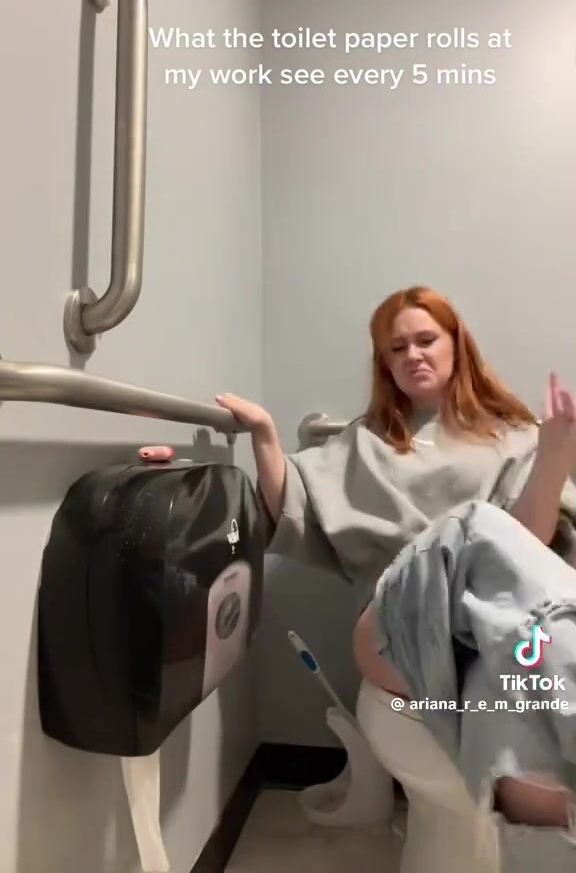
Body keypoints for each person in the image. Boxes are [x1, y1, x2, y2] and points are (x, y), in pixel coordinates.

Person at [214, 285, 576, 839]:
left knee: (503, 680)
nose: (413, 355)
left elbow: (530, 544)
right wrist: (264, 432)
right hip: (395, 629)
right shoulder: (366, 442)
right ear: (384, 363)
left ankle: (553, 808)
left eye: (426, 340)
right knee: (471, 526)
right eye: (396, 348)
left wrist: (552, 455)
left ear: (456, 343)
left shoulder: (515, 437)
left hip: (485, 635)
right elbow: (290, 502)